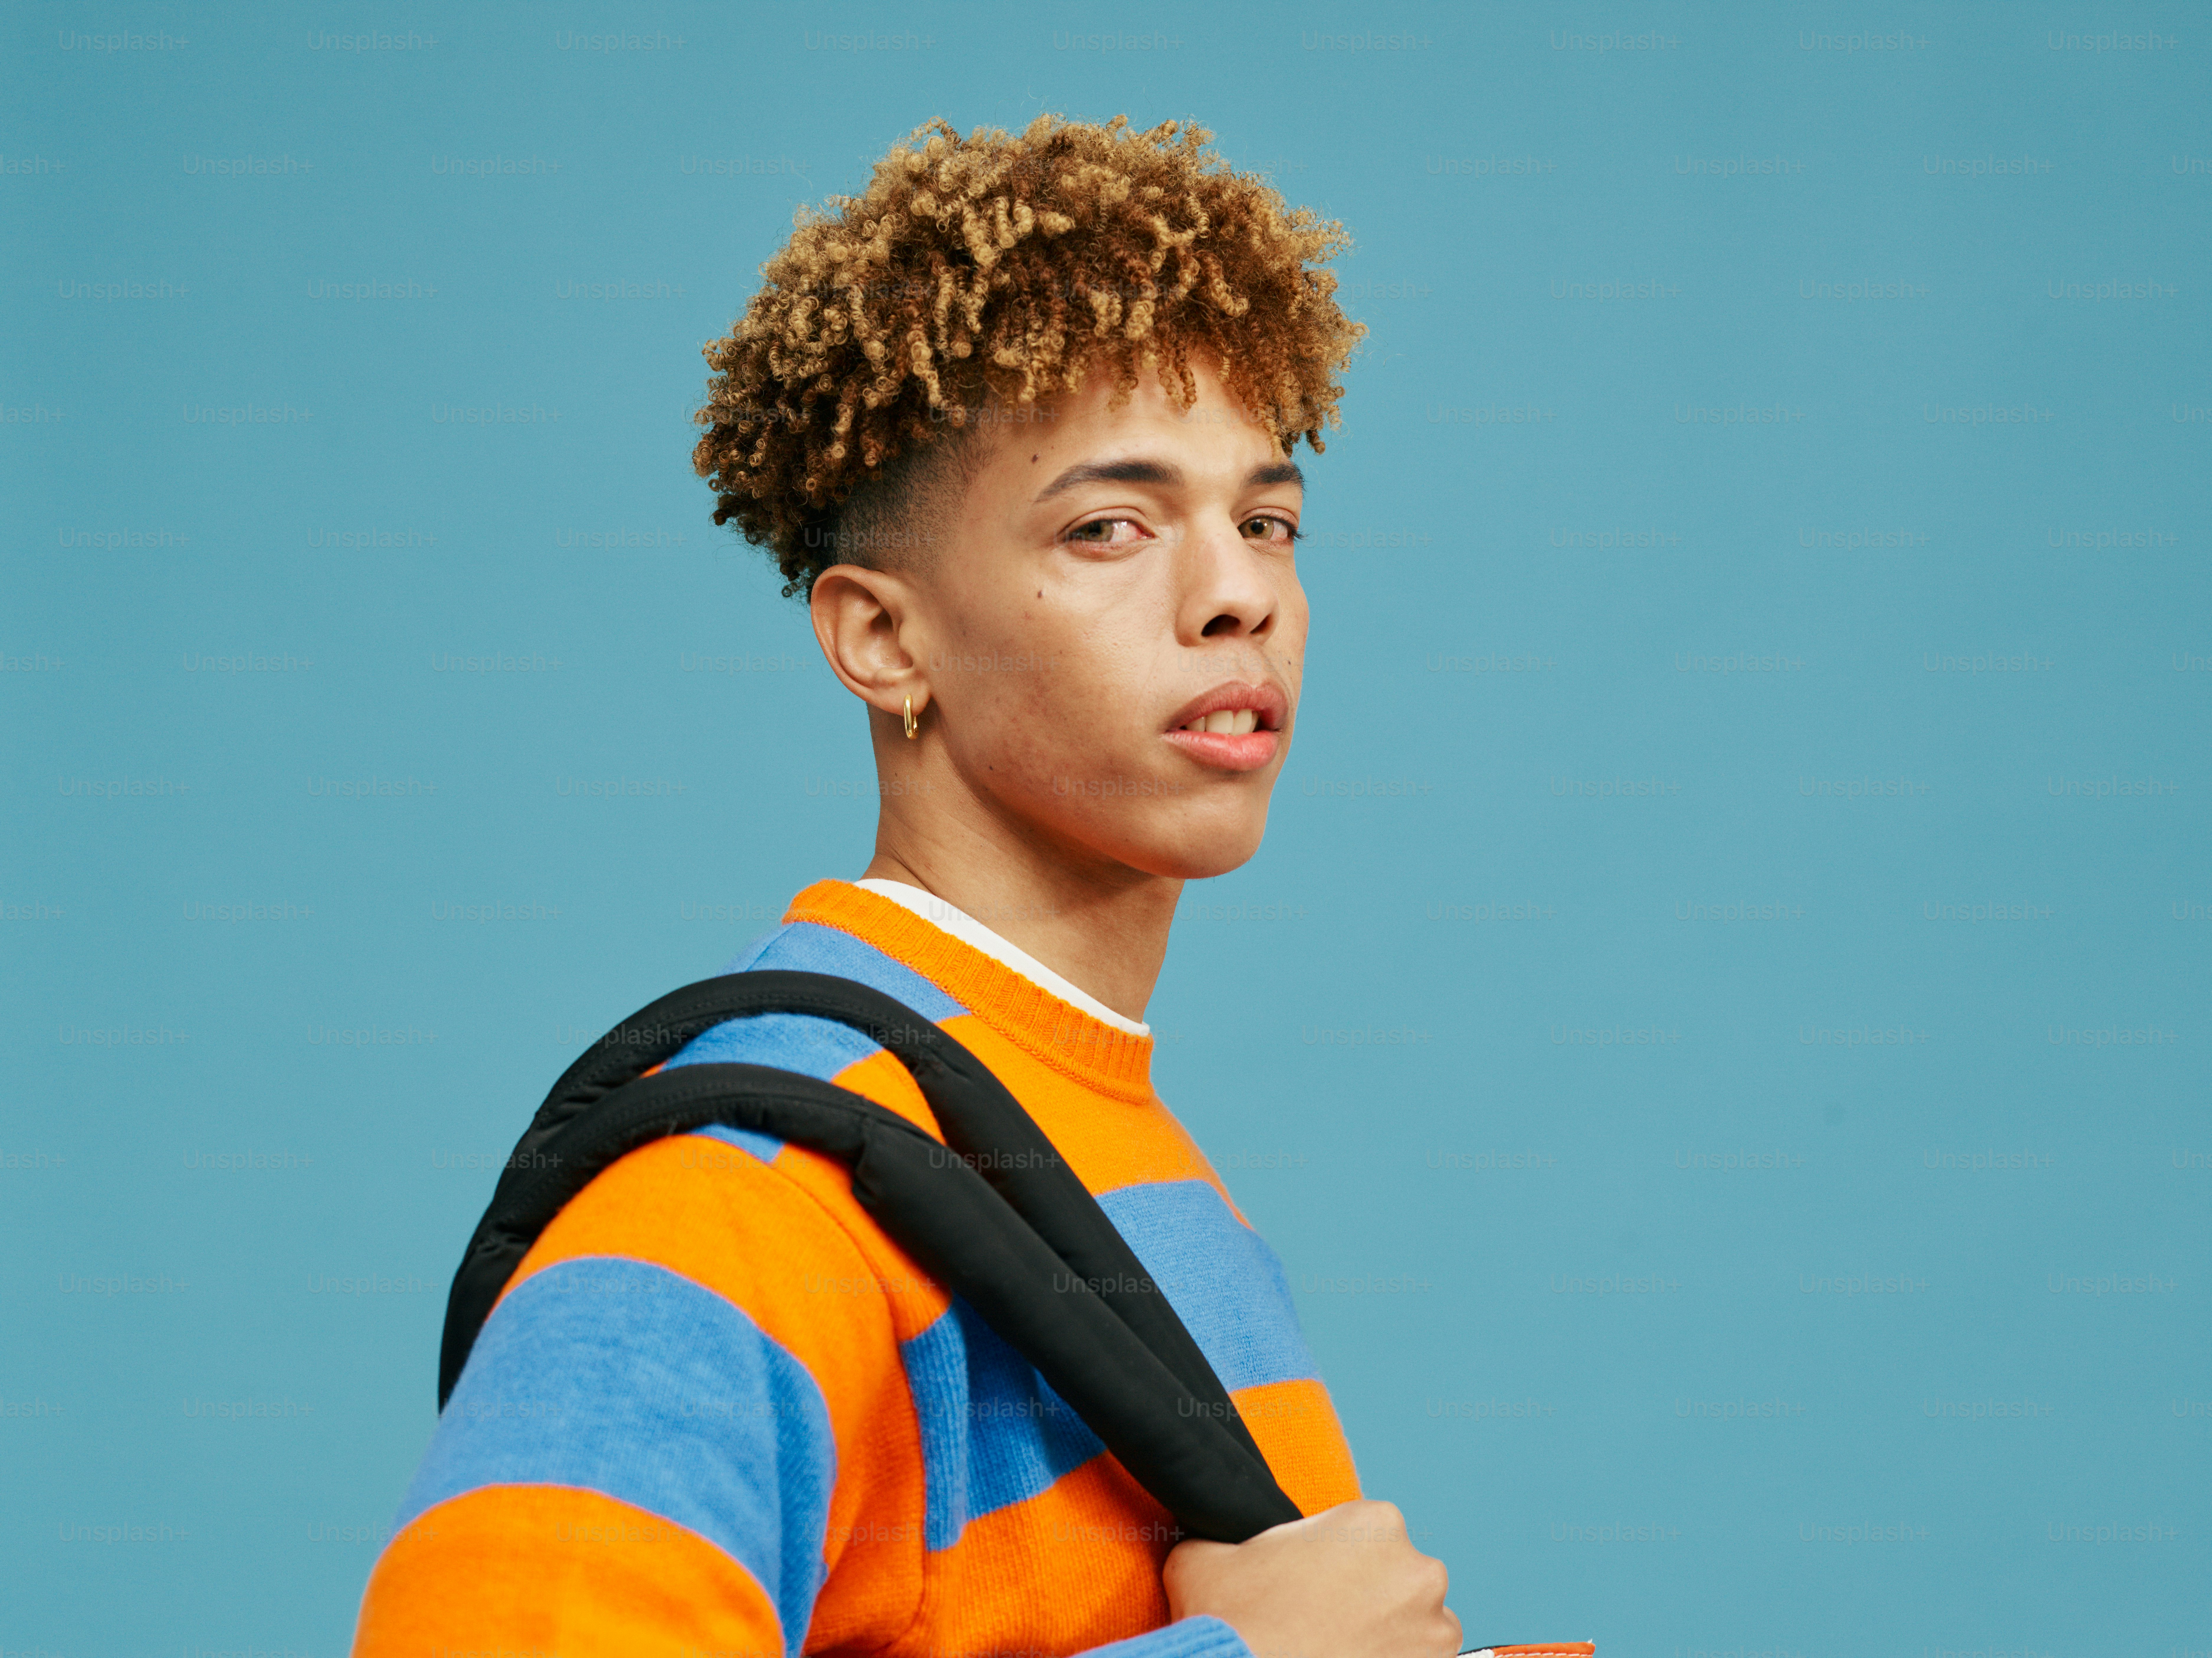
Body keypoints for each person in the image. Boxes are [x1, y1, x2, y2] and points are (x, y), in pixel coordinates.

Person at [352, 113, 1460, 1658]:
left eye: (1265, 518)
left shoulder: (1136, 1169)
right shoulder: (738, 1197)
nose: (1240, 594)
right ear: (885, 641)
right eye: (1111, 526)